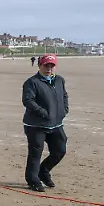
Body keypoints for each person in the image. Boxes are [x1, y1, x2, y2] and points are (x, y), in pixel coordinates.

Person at [21, 53, 69, 192]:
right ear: (39, 65)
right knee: (36, 153)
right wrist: (43, 112)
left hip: (56, 123)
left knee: (60, 150)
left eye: (51, 66)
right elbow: (28, 101)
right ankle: (33, 180)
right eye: (46, 65)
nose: (49, 68)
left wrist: (64, 110)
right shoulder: (32, 82)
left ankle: (44, 171)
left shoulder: (59, 80)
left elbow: (64, 96)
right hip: (36, 125)